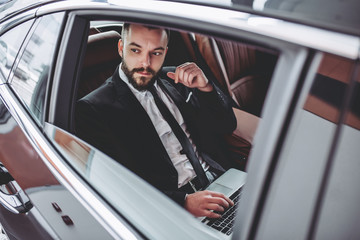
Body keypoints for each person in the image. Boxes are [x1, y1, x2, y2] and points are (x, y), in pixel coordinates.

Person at [76, 23, 237, 218]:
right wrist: (183, 203)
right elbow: (114, 187)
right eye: (136, 50)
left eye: (156, 53)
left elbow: (226, 125)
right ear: (121, 48)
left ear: (165, 52)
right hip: (168, 208)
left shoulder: (177, 79)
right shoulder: (93, 109)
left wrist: (206, 88)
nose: (145, 63)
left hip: (222, 181)